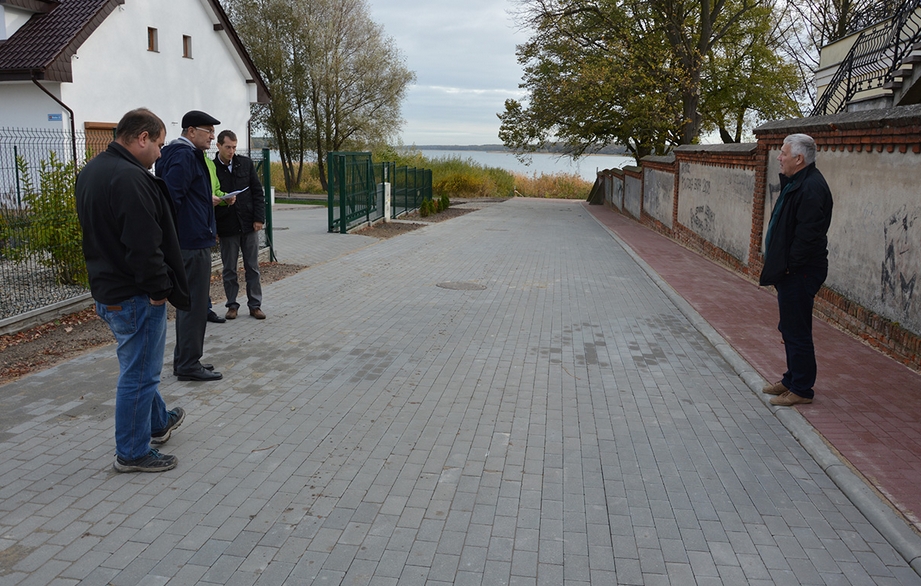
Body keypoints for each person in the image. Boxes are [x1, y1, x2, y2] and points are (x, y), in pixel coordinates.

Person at [75, 108, 189, 472]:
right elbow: (143, 245)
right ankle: (133, 452)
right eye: (157, 144)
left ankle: (157, 422)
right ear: (141, 137)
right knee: (140, 375)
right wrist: (159, 290)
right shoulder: (130, 178)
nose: (159, 153)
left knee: (138, 364)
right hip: (134, 295)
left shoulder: (92, 170)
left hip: (108, 290)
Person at [760, 133, 833, 406]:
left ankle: (801, 388)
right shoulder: (798, 182)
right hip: (792, 271)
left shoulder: (811, 187)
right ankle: (791, 379)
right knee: (789, 327)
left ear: (799, 158)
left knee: (797, 330)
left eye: (783, 153)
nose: (779, 158)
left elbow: (808, 236)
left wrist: (789, 267)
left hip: (800, 272)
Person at [156, 110, 224, 382]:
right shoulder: (184, 156)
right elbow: (172, 199)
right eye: (208, 130)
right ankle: (188, 364)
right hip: (191, 243)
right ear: (191, 131)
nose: (212, 136)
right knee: (195, 305)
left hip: (190, 239)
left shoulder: (180, 154)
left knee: (190, 305)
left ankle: (185, 360)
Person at [213, 129, 267, 320]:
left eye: (234, 147)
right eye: (228, 147)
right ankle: (232, 305)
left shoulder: (245, 163)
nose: (231, 151)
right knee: (229, 269)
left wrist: (259, 218)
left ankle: (255, 305)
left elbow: (257, 192)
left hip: (248, 223)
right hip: (227, 226)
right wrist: (215, 229)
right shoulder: (212, 169)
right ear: (218, 146)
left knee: (252, 267)